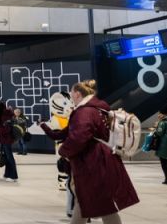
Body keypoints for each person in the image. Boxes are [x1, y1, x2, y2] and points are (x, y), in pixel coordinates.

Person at [43, 80, 139, 223]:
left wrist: (63, 151)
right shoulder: (98, 109)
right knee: (87, 201)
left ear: (77, 93)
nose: (71, 97)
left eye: (71, 94)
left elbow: (79, 137)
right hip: (100, 160)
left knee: (94, 201)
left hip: (92, 163)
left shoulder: (84, 112)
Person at [0, 102, 18, 182]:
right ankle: (7, 174)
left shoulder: (5, 115)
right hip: (5, 139)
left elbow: (6, 129)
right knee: (7, 158)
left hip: (6, 139)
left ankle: (13, 176)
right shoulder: (6, 114)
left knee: (9, 157)